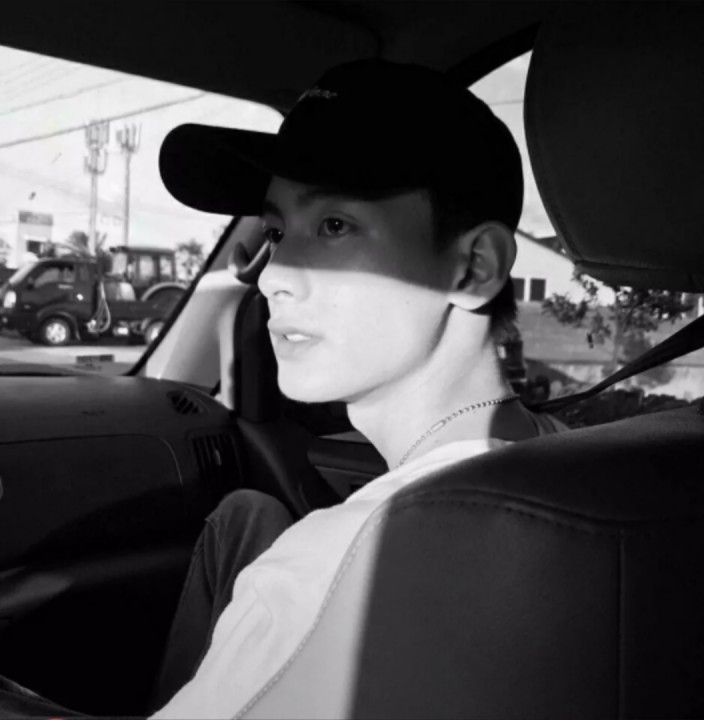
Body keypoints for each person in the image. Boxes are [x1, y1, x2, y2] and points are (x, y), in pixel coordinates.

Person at [0, 59, 566, 719]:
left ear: (473, 268)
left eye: (334, 226)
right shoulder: (578, 458)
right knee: (244, 513)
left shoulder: (319, 575)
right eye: (275, 232)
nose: (272, 278)